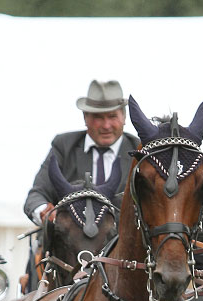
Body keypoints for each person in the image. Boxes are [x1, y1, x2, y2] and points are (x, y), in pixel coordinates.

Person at [24, 79, 138, 226]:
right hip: (69, 242)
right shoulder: (63, 146)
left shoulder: (139, 151)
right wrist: (45, 212)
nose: (106, 125)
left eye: (112, 116)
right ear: (85, 117)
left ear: (124, 117)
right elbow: (37, 194)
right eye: (98, 117)